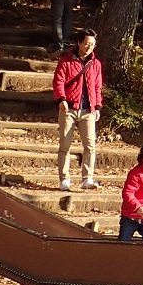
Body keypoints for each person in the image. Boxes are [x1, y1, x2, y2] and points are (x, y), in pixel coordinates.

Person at [52, 29, 104, 191]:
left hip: (88, 109)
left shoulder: (95, 64)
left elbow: (97, 87)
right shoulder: (66, 60)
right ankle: (64, 178)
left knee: (90, 146)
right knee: (65, 146)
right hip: (69, 108)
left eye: (93, 44)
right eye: (87, 43)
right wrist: (61, 99)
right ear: (79, 43)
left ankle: (87, 178)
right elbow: (58, 81)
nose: (89, 47)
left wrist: (97, 107)